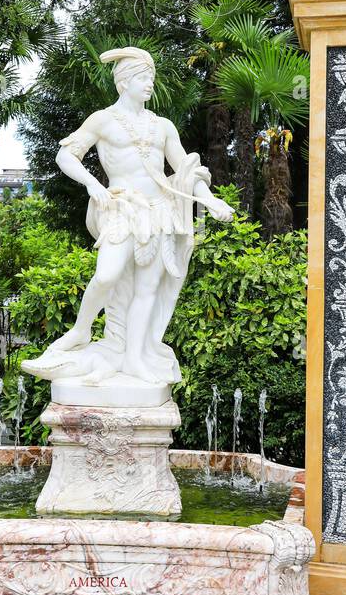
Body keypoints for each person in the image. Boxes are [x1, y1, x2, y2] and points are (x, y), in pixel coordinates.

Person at [22, 46, 234, 388]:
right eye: (142, 78)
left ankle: (133, 358)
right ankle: (80, 331)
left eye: (151, 78)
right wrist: (92, 184)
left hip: (159, 213)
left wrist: (210, 201)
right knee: (106, 275)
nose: (149, 84)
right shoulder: (103, 120)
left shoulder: (162, 126)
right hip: (121, 209)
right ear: (123, 82)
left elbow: (186, 171)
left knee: (147, 289)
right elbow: (66, 156)